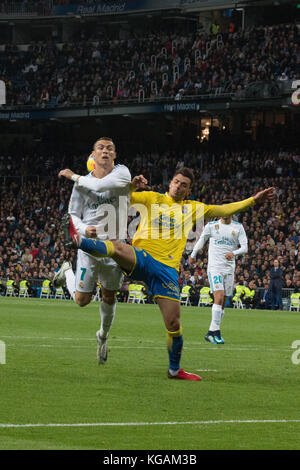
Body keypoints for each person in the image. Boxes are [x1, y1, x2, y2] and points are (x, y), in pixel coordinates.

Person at [61, 165, 275, 381]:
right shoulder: (152, 198)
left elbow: (225, 209)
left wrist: (253, 200)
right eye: (176, 182)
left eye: (184, 185)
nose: (179, 186)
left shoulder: (193, 208)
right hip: (143, 258)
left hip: (167, 272)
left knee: (174, 324)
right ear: (170, 182)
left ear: (188, 190)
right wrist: (132, 185)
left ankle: (175, 370)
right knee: (116, 247)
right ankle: (79, 241)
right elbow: (120, 198)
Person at [54, 137, 137, 365]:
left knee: (110, 295)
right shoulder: (80, 185)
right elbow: (72, 215)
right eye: (100, 148)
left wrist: (71, 174)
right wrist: (83, 229)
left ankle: (103, 336)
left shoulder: (122, 173)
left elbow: (100, 186)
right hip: (89, 249)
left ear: (115, 154)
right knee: (81, 301)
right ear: (94, 154)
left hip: (114, 249)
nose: (105, 151)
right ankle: (67, 272)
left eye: (110, 148)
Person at [189, 204, 248, 344]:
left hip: (229, 269)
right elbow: (201, 240)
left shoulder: (238, 227)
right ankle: (214, 332)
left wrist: (233, 253)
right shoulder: (211, 226)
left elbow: (245, 247)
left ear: (232, 212)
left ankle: (213, 331)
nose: (224, 213)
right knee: (219, 296)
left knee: (223, 302)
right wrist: (193, 254)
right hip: (215, 267)